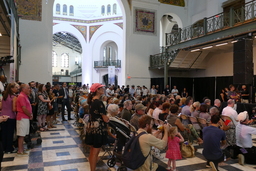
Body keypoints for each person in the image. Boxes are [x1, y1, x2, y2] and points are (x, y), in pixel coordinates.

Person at [85, 83, 109, 171]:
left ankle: (92, 169)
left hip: (91, 127)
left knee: (92, 151)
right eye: (101, 88)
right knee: (95, 152)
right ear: (97, 90)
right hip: (98, 129)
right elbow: (105, 118)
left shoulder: (92, 101)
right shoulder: (99, 102)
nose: (103, 89)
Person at [1, 83, 18, 153]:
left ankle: (3, 148)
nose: (17, 89)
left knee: (4, 133)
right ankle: (9, 148)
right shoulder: (13, 97)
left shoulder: (4, 96)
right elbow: (14, 108)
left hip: (3, 116)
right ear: (11, 88)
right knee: (10, 133)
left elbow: (1, 107)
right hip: (11, 116)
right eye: (16, 87)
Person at [16, 84, 33, 155]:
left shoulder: (25, 96)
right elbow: (24, 108)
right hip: (22, 117)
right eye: (28, 88)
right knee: (21, 135)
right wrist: (30, 115)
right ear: (23, 89)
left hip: (25, 117)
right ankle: (20, 150)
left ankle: (22, 148)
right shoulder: (21, 96)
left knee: (24, 134)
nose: (29, 89)